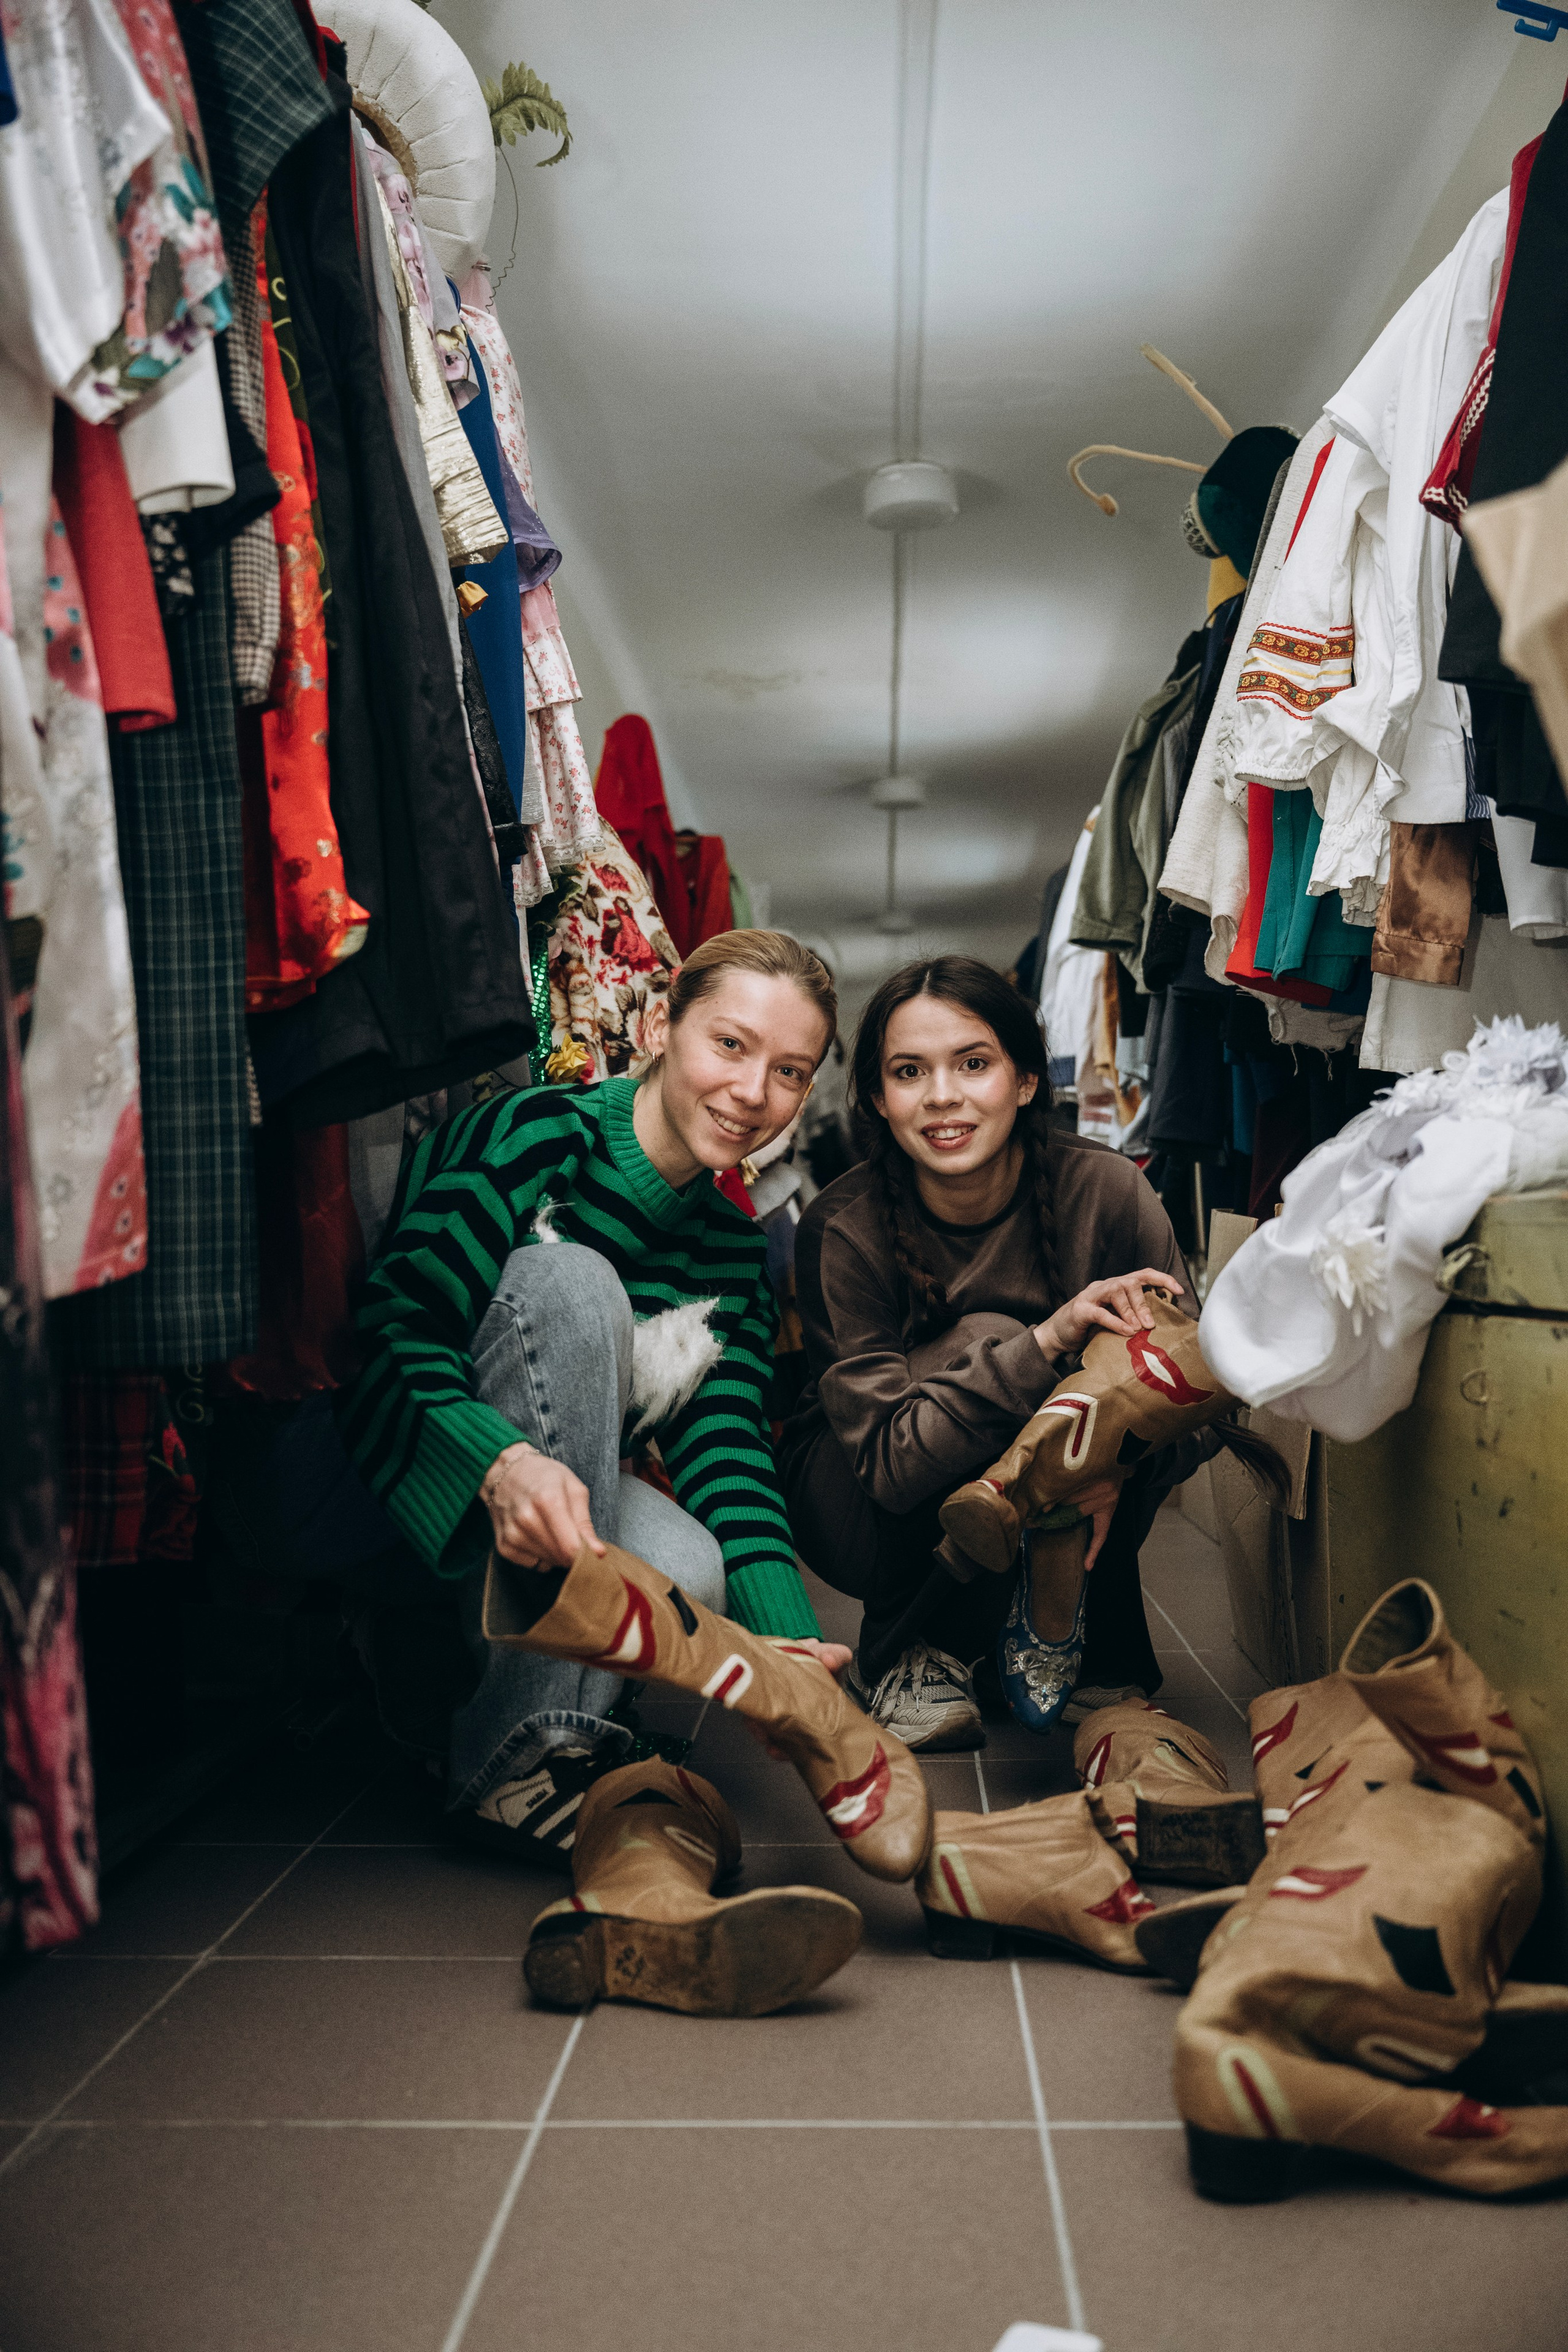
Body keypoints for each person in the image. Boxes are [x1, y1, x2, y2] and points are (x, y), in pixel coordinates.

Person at [222, 930, 848, 1866]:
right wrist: (500, 1464)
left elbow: (729, 1459)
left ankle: (449, 1686)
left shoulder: (730, 1247)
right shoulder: (539, 1132)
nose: (755, 1093)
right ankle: (530, 1753)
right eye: (731, 1045)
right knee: (575, 1283)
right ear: (664, 1020)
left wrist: (792, 1654)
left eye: (792, 1072)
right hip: (363, 1466)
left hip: (534, 1507)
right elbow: (395, 1333)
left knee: (693, 1565)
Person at [780, 954, 1212, 1754]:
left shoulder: (1111, 1192)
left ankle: (1075, 1638)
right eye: (909, 1072)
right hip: (859, 1499)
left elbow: (1204, 1393)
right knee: (991, 1342)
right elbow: (890, 1464)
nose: (942, 1096)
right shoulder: (844, 1224)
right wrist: (1048, 1340)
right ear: (878, 1099)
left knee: (1123, 1391)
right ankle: (908, 1655)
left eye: (973, 1064)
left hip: (1076, 1499)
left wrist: (1110, 1459)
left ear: (1023, 1081)